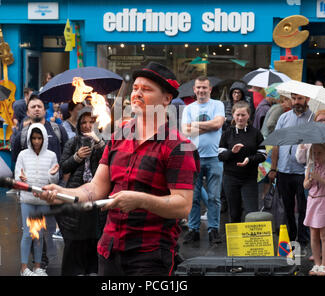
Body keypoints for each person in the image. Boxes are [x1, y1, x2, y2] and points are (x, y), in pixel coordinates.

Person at [38, 62, 200, 276]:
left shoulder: (177, 145)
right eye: (135, 88)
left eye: (147, 89)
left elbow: (182, 206)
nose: (137, 94)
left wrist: (140, 200)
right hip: (109, 249)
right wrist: (62, 193)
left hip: (149, 256)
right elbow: (95, 188)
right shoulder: (119, 135)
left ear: (166, 99)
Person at [56, 107, 106, 275]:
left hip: (96, 195)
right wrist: (77, 157)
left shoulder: (101, 142)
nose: (87, 125)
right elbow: (63, 167)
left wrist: (99, 145)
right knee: (75, 236)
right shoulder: (73, 142)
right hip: (76, 192)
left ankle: (92, 269)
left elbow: (108, 163)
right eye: (83, 122)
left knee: (94, 235)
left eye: (90, 122)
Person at [295, 110, 325, 264]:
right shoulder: (310, 136)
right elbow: (300, 158)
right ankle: (317, 252)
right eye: (320, 120)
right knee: (313, 220)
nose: (323, 122)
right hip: (312, 184)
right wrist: (303, 144)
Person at [181, 76, 225, 245]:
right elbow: (186, 130)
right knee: (193, 197)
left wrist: (196, 125)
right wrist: (209, 125)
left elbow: (218, 124)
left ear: (210, 89)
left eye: (204, 88)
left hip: (214, 157)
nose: (201, 90)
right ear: (194, 89)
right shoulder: (188, 108)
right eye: (198, 87)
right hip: (193, 157)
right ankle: (193, 230)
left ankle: (213, 229)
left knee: (214, 197)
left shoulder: (218, 105)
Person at [268, 93, 312, 253]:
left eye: (300, 98)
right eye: (293, 99)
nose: (296, 102)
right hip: (284, 169)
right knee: (286, 206)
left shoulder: (312, 118)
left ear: (306, 99)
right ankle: (292, 238)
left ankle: (303, 239)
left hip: (303, 171)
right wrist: (273, 168)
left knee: (303, 207)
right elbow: (276, 144)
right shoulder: (284, 118)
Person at [15, 123, 59, 276]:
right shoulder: (23, 155)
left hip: (43, 201)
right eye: (33, 138)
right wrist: (23, 181)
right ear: (29, 138)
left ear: (44, 138)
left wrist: (53, 174)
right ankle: (23, 268)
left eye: (39, 138)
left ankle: (38, 267)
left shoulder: (51, 155)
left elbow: (54, 180)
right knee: (27, 234)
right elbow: (16, 177)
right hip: (27, 200)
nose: (36, 141)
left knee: (39, 234)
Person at [218, 101, 267, 223]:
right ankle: (236, 241)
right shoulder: (227, 133)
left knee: (251, 213)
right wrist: (232, 152)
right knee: (234, 213)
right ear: (233, 115)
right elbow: (220, 156)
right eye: (238, 115)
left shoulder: (255, 133)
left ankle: (250, 239)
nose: (240, 118)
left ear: (248, 115)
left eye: (243, 115)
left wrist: (249, 159)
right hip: (230, 178)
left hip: (249, 178)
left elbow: (263, 155)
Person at [303, 143, 325, 276]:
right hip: (312, 202)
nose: (316, 156)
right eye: (314, 153)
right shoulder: (310, 167)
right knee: (313, 235)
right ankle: (316, 264)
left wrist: (320, 179)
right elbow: (305, 185)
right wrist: (310, 180)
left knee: (324, 235)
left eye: (319, 153)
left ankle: (324, 265)